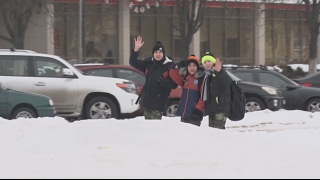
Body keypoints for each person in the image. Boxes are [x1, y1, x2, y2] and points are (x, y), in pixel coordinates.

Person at [129, 36, 178, 120]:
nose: (158, 54)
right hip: (147, 101)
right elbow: (133, 62)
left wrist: (161, 81)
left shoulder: (169, 66)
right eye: (156, 52)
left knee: (154, 127)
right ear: (153, 54)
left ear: (163, 54)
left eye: (160, 52)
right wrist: (136, 49)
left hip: (159, 102)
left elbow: (174, 84)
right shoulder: (148, 64)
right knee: (148, 126)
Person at [169, 55, 206, 126]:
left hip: (194, 114)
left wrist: (198, 110)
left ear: (197, 67)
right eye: (189, 65)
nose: (192, 68)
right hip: (184, 113)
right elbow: (174, 75)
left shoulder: (201, 79)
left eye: (194, 65)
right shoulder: (186, 77)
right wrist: (177, 66)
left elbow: (203, 97)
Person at [201, 52, 233, 129]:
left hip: (221, 107)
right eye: (205, 62)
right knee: (212, 131)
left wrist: (219, 72)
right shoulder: (208, 75)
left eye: (209, 61)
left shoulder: (220, 71)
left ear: (213, 62)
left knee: (219, 130)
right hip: (212, 107)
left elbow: (227, 82)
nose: (207, 64)